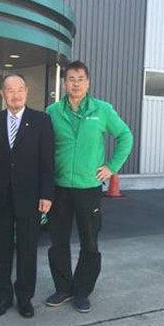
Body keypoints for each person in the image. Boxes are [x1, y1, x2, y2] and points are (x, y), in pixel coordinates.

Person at [45, 60, 133, 313]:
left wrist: (111, 167)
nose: (76, 84)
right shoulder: (52, 112)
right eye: (71, 79)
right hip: (59, 187)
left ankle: (82, 291)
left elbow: (125, 136)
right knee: (58, 241)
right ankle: (63, 288)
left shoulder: (101, 110)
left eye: (80, 79)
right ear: (64, 83)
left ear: (88, 82)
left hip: (88, 187)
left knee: (90, 242)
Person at [0, 74, 55, 318]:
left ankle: (25, 298)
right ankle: (2, 297)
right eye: (10, 90)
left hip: (30, 197)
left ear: (26, 91)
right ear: (2, 94)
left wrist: (47, 194)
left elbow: (47, 161)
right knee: (0, 250)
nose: (15, 94)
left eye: (19, 89)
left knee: (27, 249)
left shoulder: (41, 121)